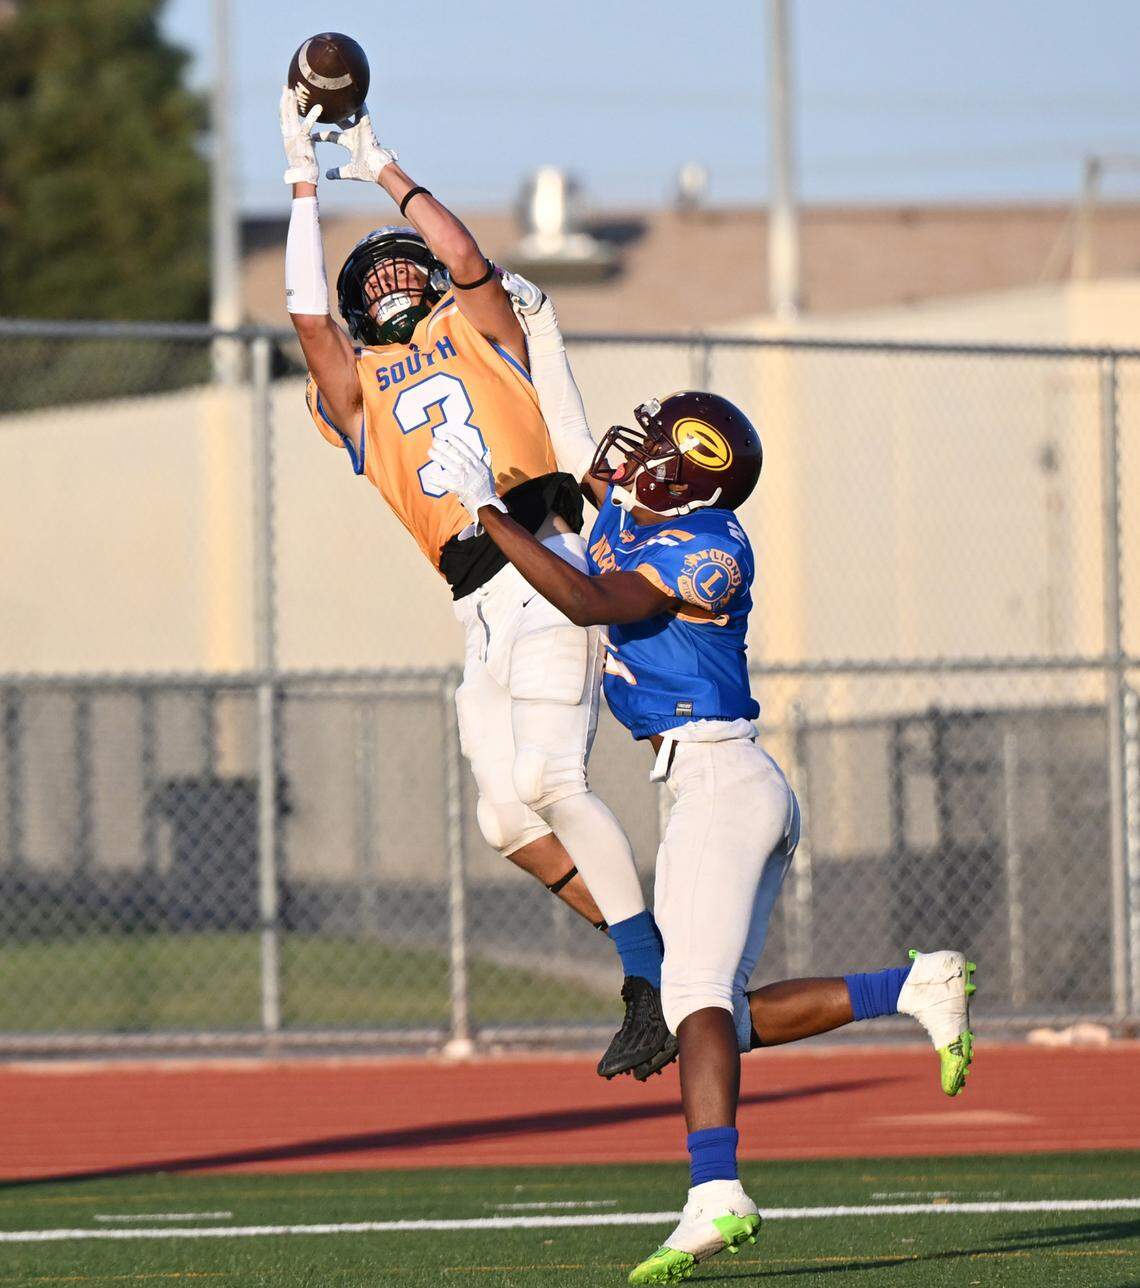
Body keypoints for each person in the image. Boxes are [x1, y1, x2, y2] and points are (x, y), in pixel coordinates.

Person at [427, 305, 977, 1285]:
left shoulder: (712, 544)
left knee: (691, 1004)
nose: (635, 454)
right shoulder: (645, 515)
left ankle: (715, 1194)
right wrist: (549, 368)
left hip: (721, 776)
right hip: (703, 783)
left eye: (656, 447)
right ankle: (912, 984)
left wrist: (492, 514)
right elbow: (586, 497)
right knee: (716, 1016)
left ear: (692, 473)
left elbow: (594, 600)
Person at [277, 89, 674, 1079]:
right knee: (506, 819)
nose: (404, 279)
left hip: (542, 561)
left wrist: (381, 168)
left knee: (552, 780)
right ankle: (660, 960)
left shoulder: (477, 328)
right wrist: (297, 179)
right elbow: (305, 317)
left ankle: (647, 985)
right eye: (384, 275)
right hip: (477, 611)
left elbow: (466, 261)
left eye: (408, 265)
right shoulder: (359, 396)